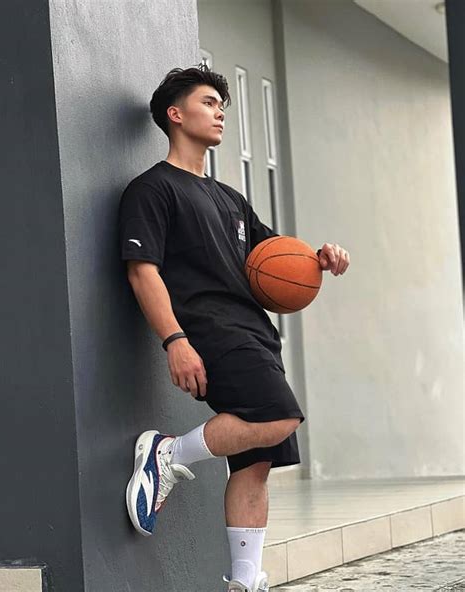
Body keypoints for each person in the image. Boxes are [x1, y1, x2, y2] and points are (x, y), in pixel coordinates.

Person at [118, 64, 350, 592]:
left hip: (256, 332)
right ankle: (169, 454)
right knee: (280, 416)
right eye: (208, 102)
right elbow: (142, 272)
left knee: (256, 461)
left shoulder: (230, 198)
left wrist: (321, 257)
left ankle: (245, 582)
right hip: (210, 329)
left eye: (223, 105)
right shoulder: (152, 189)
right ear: (175, 115)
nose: (220, 112)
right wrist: (175, 340)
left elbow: (280, 261)